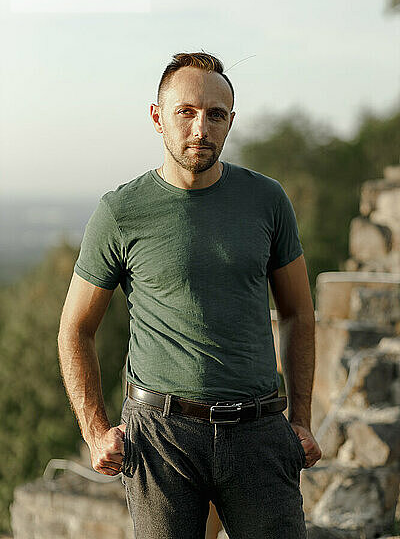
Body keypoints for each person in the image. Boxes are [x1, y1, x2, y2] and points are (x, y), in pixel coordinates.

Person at [58, 51, 322, 539]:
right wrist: (95, 432)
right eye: (187, 112)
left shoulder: (267, 200)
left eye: (215, 114)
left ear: (230, 122)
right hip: (161, 438)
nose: (201, 128)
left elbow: (298, 315)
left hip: (259, 430)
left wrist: (300, 420)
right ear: (158, 118)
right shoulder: (121, 211)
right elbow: (76, 327)